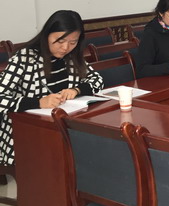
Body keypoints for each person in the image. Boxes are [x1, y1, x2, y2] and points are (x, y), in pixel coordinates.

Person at [0, 10, 104, 167]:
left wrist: (77, 90)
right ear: (47, 35)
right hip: (26, 133)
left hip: (63, 127)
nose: (65, 47)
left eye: (73, 42)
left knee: (93, 151)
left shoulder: (72, 56)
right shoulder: (25, 58)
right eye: (60, 41)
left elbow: (97, 80)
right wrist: (39, 102)